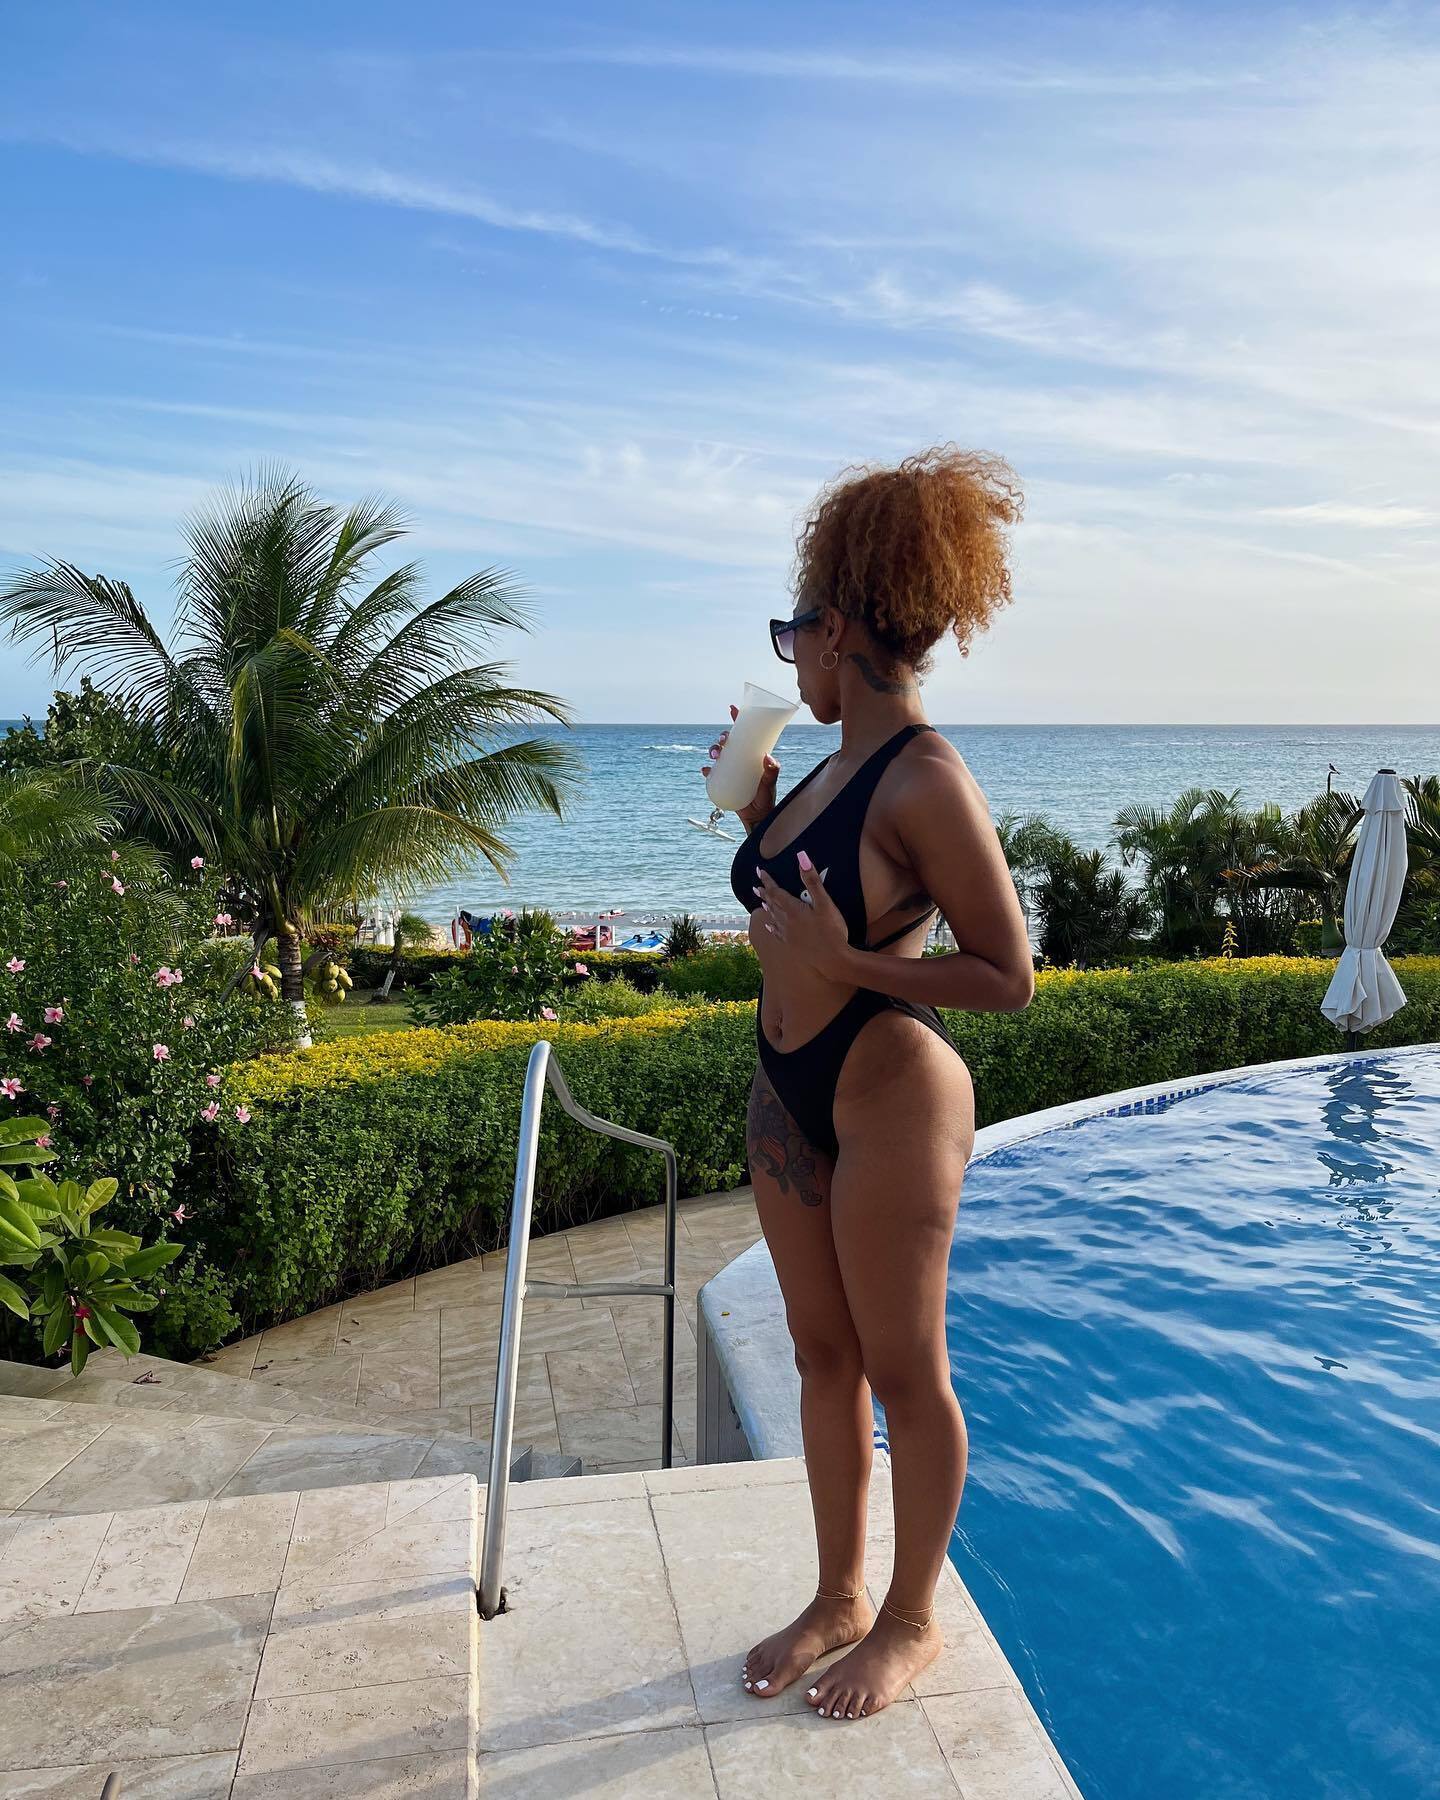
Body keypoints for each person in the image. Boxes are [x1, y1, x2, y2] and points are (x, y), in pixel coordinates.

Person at [701, 445, 1035, 1722]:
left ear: (837, 628)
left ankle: (909, 1621)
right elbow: (801, 903)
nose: (792, 660)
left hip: (891, 1089)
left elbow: (1007, 974)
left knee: (905, 1370)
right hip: (788, 1083)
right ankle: (839, 1597)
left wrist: (849, 964)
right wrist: (757, 820)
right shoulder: (831, 768)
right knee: (820, 1350)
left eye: (796, 634)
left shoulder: (927, 778)